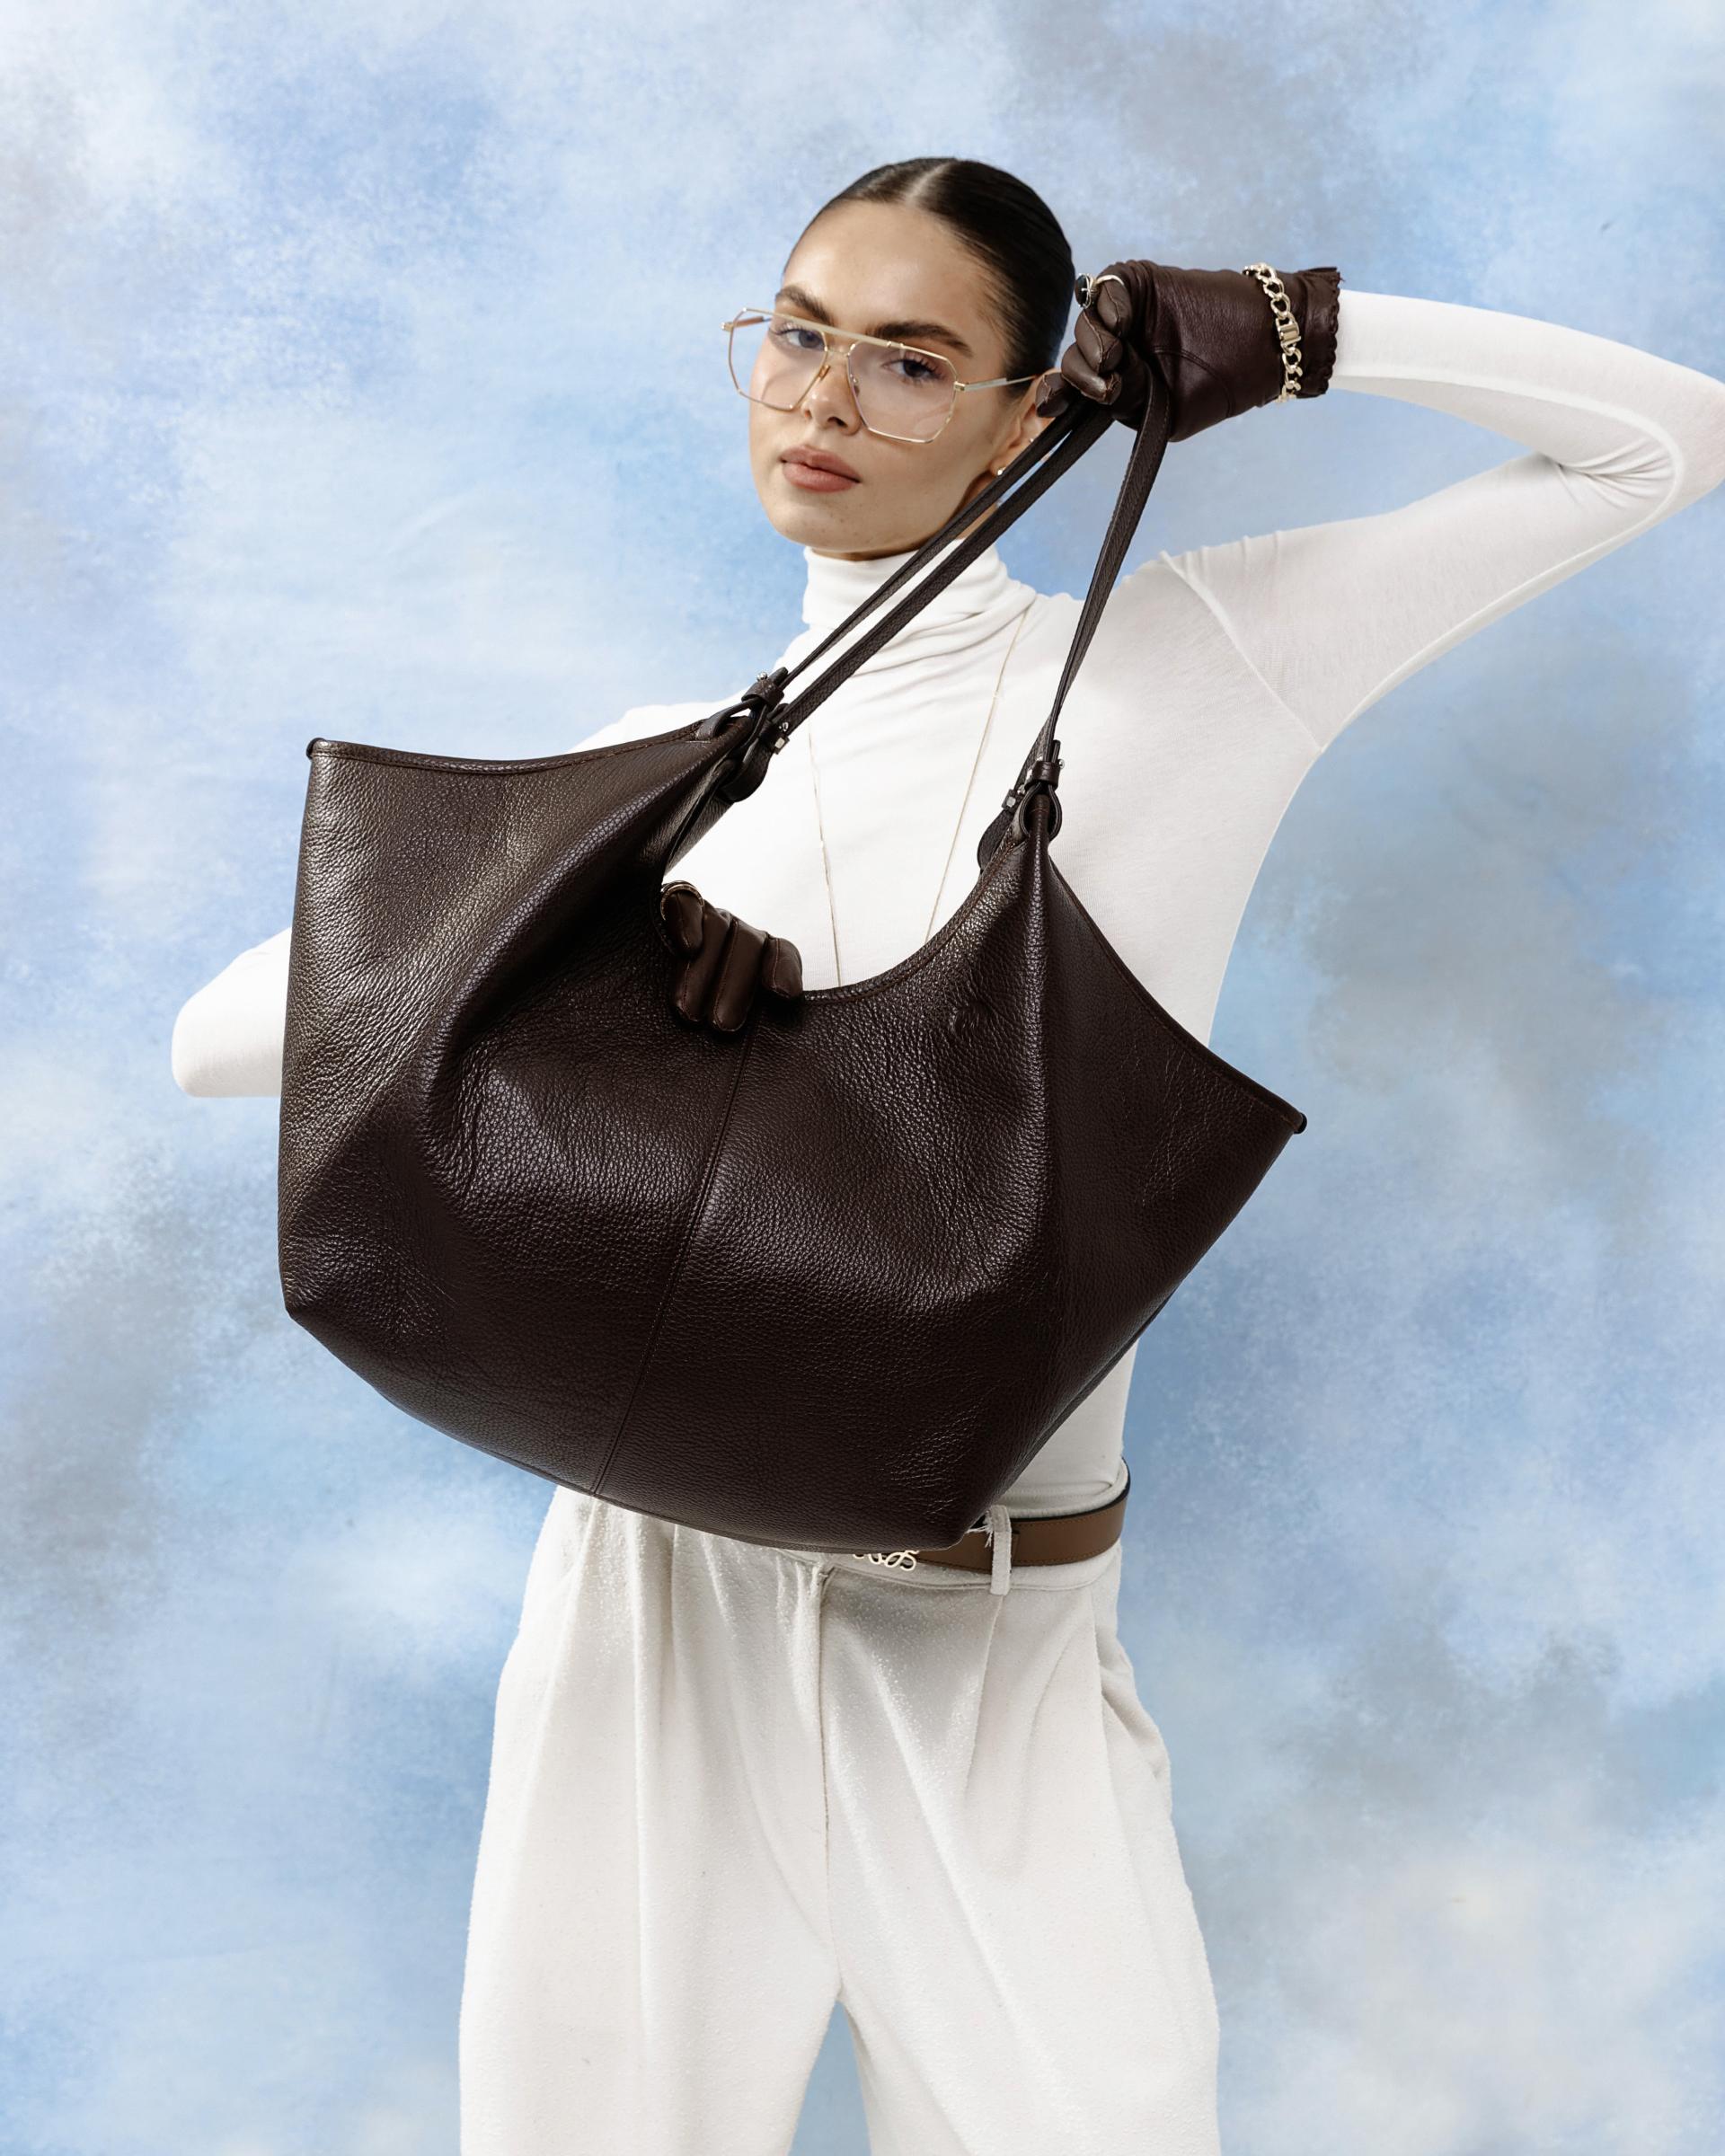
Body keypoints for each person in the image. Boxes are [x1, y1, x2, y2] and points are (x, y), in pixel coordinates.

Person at [169, 156, 1725, 2155]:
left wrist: (1304, 335)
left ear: (1026, 417)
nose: (824, 397)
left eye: (910, 360)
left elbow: (1666, 444)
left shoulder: (1190, 664)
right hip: (654, 1624)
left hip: (995, 1643)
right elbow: (220, 1044)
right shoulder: (665, 765)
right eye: (797, 335)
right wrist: (605, 934)